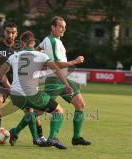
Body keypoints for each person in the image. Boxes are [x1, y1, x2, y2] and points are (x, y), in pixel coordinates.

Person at [0, 31, 74, 149]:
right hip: (31, 94)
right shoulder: (41, 56)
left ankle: (32, 138)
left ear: (22, 43)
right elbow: (56, 70)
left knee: (29, 111)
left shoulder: (14, 56)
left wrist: (9, 87)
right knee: (58, 111)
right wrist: (66, 85)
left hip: (15, 95)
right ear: (33, 42)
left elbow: (0, 74)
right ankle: (53, 137)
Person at [35, 16, 91, 145]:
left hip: (64, 79)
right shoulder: (52, 41)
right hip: (54, 80)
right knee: (39, 111)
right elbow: (55, 64)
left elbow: (37, 49)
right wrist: (74, 61)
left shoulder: (52, 40)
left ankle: (76, 137)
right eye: (60, 26)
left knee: (80, 104)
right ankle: (16, 131)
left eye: (64, 27)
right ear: (53, 27)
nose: (63, 29)